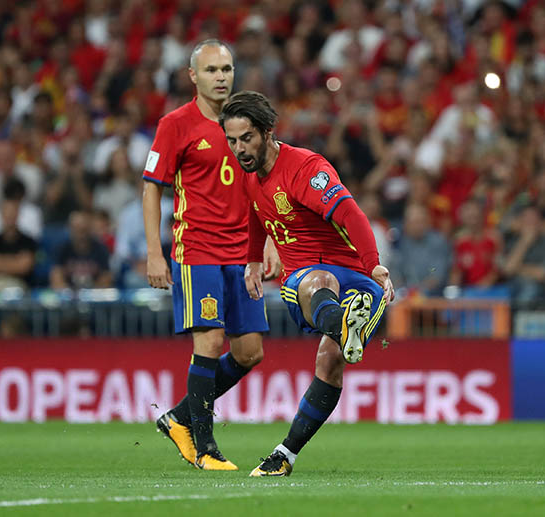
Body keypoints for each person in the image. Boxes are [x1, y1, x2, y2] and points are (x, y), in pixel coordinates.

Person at [219, 90, 394, 477]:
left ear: (267, 132)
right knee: (325, 326)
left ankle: (284, 455)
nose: (238, 149)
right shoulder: (250, 178)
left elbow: (351, 214)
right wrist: (251, 258)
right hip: (313, 281)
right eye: (231, 141)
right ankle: (286, 454)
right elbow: (255, 215)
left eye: (245, 138)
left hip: (358, 278)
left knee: (330, 352)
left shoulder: (304, 169)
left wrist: (376, 267)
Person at [142, 40, 279, 471]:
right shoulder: (175, 125)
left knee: (250, 352)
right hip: (196, 249)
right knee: (211, 340)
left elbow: (266, 183)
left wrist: (271, 240)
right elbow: (152, 188)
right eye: (212, 70)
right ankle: (204, 448)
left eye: (227, 68)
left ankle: (179, 418)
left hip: (244, 254)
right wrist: (154, 253)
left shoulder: (246, 124)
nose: (221, 76)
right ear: (193, 77)